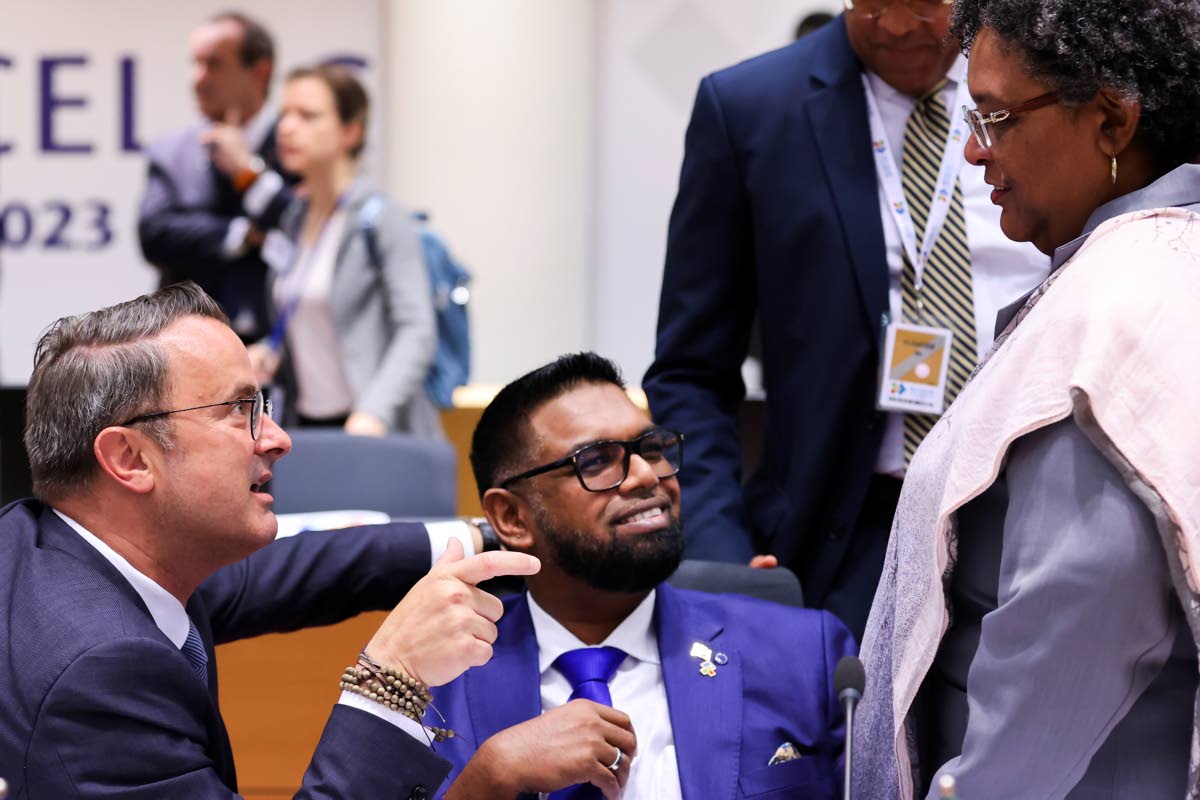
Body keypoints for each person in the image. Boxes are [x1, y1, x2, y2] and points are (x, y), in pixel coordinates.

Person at [0, 282, 540, 797]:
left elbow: (292, 571)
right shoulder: (100, 673)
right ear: (130, 459)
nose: (278, 440)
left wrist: (486, 537)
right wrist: (392, 677)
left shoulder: (44, 543)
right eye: (240, 411)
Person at [853, 0, 1200, 797]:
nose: (973, 150)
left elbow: (1069, 638)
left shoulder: (1122, 312)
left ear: (1112, 121)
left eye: (996, 118)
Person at [642, 0, 1050, 641]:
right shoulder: (751, 107)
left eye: (921, 7)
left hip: (1021, 510)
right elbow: (691, 370)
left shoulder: (1044, 95)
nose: (890, 25)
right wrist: (718, 548)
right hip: (837, 536)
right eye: (872, 2)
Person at [428, 353, 855, 799]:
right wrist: (488, 780)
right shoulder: (431, 684)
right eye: (595, 461)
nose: (646, 476)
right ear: (512, 517)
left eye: (652, 449)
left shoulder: (806, 656)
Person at [249, 65, 439, 437]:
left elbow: (417, 330)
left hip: (373, 426)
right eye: (284, 114)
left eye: (307, 116)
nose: (287, 127)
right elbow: (312, 326)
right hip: (306, 424)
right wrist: (271, 352)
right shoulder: (293, 217)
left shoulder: (381, 217)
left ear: (351, 131)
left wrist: (375, 411)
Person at [139, 11, 296, 342]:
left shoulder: (297, 149)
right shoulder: (173, 151)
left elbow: (304, 226)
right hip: (186, 347)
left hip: (277, 354)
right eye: (194, 64)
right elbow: (154, 233)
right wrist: (242, 234)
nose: (198, 78)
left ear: (260, 71)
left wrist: (247, 174)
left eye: (214, 64)